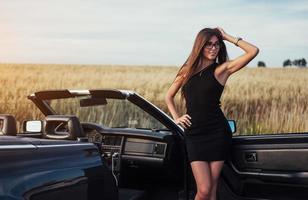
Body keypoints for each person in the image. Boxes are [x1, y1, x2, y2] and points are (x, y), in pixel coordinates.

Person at [165, 27, 259, 200]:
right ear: (200, 46)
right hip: (195, 134)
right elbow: (168, 96)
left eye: (217, 44)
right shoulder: (186, 70)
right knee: (204, 190)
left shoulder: (221, 70)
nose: (213, 48)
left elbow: (253, 51)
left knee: (213, 189)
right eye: (208, 44)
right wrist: (177, 118)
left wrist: (228, 37)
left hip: (218, 134)